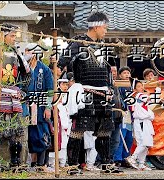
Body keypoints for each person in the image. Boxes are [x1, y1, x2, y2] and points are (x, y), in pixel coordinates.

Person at [57, 11, 116, 171]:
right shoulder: (77, 43)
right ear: (96, 26)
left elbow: (106, 70)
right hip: (84, 93)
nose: (106, 30)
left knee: (105, 130)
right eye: (105, 27)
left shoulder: (102, 46)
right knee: (79, 130)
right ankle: (72, 165)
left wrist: (110, 88)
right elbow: (61, 63)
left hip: (103, 94)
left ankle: (106, 163)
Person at [0, 23, 31, 167]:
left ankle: (15, 163)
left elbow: (27, 73)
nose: (14, 39)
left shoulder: (16, 52)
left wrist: (23, 90)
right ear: (3, 35)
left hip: (14, 95)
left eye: (15, 36)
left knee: (17, 131)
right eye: (12, 36)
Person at [25, 43, 54, 168]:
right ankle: (31, 161)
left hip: (40, 104)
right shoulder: (23, 68)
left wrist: (48, 107)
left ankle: (41, 163)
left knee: (42, 132)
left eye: (30, 51)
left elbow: (50, 90)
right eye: (26, 51)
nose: (28, 53)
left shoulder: (45, 69)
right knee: (28, 132)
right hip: (25, 103)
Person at [126, 79, 155, 171]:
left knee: (146, 144)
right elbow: (149, 98)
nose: (141, 88)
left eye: (142, 85)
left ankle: (141, 164)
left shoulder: (141, 96)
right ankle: (132, 158)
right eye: (139, 86)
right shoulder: (138, 95)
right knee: (143, 142)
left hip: (146, 121)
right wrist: (157, 90)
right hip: (141, 121)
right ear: (134, 89)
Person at [114, 66, 134, 168]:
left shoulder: (133, 85)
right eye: (124, 73)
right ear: (120, 75)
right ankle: (118, 159)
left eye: (128, 73)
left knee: (129, 137)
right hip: (123, 113)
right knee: (121, 136)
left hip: (131, 115)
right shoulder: (118, 85)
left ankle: (126, 158)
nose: (127, 75)